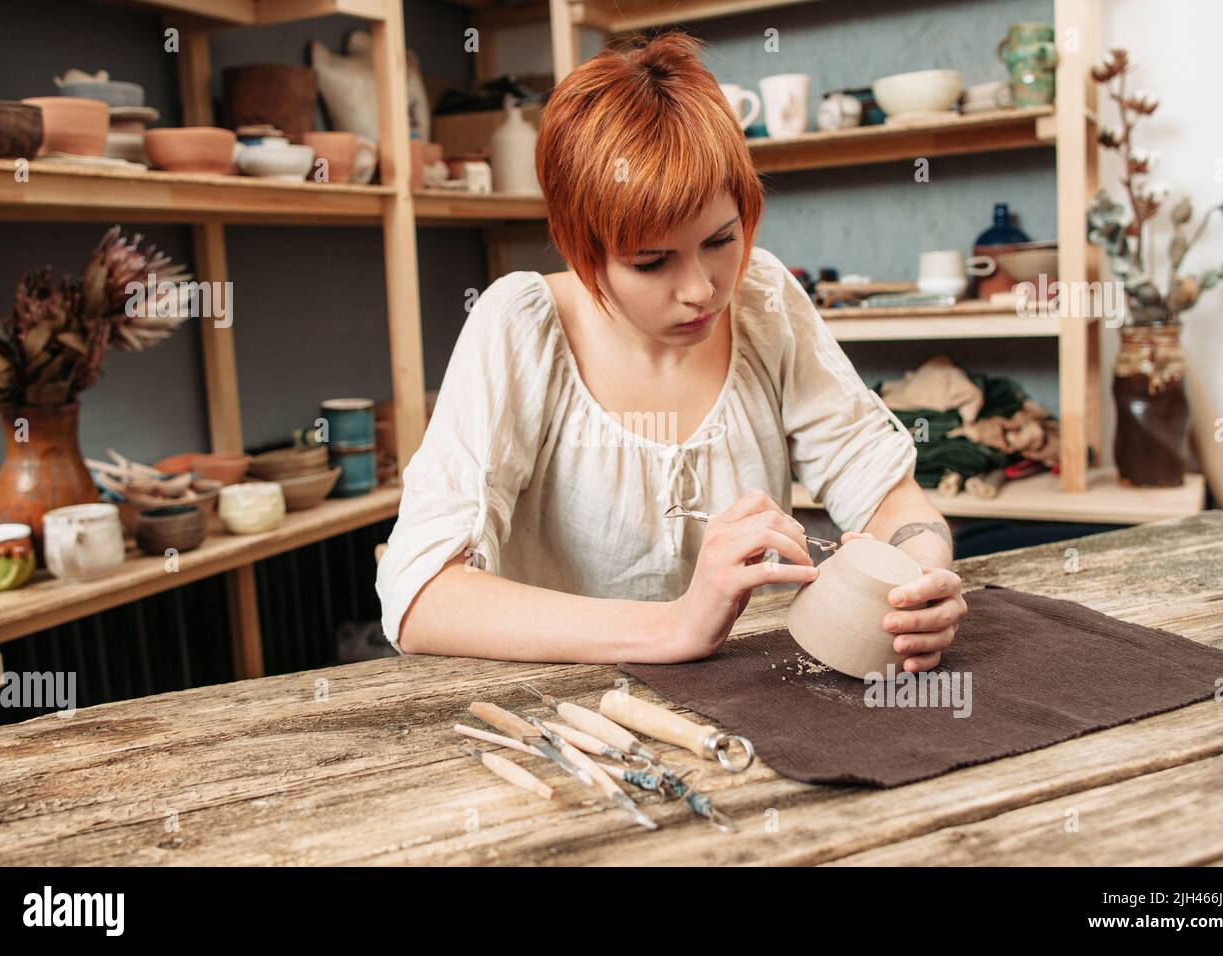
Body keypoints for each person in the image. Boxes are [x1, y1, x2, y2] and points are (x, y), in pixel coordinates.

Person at [376, 32, 966, 669]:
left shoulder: (763, 297)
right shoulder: (521, 325)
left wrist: (922, 578)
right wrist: (676, 627)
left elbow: (885, 494)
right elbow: (421, 594)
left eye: (720, 240)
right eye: (651, 262)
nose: (700, 291)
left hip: (754, 691)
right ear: (583, 251)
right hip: (572, 710)